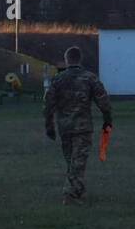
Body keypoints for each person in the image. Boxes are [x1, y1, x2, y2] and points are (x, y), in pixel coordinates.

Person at [43, 46, 112, 205]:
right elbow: (103, 100)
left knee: (72, 161)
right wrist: (107, 118)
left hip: (64, 128)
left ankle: (78, 190)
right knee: (78, 162)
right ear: (80, 59)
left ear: (66, 60)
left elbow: (48, 105)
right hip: (83, 127)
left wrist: (49, 126)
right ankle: (70, 195)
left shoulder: (58, 79)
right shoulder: (89, 78)